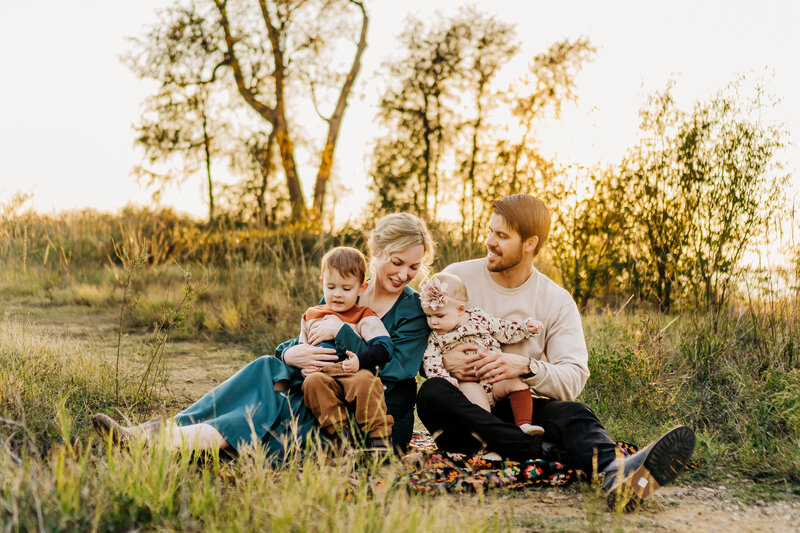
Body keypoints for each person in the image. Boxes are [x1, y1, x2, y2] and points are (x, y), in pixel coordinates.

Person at [415, 194, 695, 511]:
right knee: (431, 394)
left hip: (521, 409)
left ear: (530, 243)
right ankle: (541, 449)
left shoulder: (555, 300)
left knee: (576, 414)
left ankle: (618, 473)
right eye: (491, 231)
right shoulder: (456, 278)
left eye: (502, 236)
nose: (490, 241)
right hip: (466, 412)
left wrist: (526, 367)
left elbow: (573, 377)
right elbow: (420, 344)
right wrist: (446, 364)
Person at [93, 212, 434, 456]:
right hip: (321, 387)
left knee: (271, 411)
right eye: (397, 261)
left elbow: (397, 369)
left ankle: (160, 443)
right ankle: (155, 433)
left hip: (373, 410)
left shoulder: (413, 309)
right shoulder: (347, 286)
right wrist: (289, 353)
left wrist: (343, 333)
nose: (404, 273)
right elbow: (310, 333)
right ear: (375, 252)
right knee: (265, 368)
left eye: (414, 266)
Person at [419, 272, 545, 439]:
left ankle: (524, 424)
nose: (433, 322)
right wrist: (443, 377)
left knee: (517, 382)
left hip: (494, 376)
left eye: (439, 316)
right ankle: (490, 436)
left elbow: (502, 329)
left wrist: (525, 328)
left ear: (460, 310)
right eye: (428, 316)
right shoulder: (435, 337)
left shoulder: (479, 318)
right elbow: (430, 360)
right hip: (469, 383)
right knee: (476, 403)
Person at [299, 246, 394, 452]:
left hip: (352, 370)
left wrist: (360, 361)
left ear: (361, 288)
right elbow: (301, 348)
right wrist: (303, 366)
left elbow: (384, 348)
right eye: (331, 287)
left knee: (366, 382)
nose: (337, 294)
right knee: (312, 383)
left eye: (346, 288)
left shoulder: (363, 315)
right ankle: (341, 436)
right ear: (322, 283)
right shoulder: (310, 315)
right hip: (323, 374)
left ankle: (380, 439)